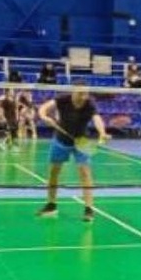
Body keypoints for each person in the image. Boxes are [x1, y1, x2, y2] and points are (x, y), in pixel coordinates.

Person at [35, 83, 110, 222]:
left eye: (85, 94)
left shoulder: (89, 103)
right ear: (73, 92)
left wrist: (102, 132)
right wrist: (44, 116)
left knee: (85, 173)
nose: (83, 97)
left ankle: (89, 209)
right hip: (61, 139)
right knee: (53, 172)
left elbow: (97, 118)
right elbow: (44, 107)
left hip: (82, 140)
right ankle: (51, 205)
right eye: (81, 94)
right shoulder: (63, 99)